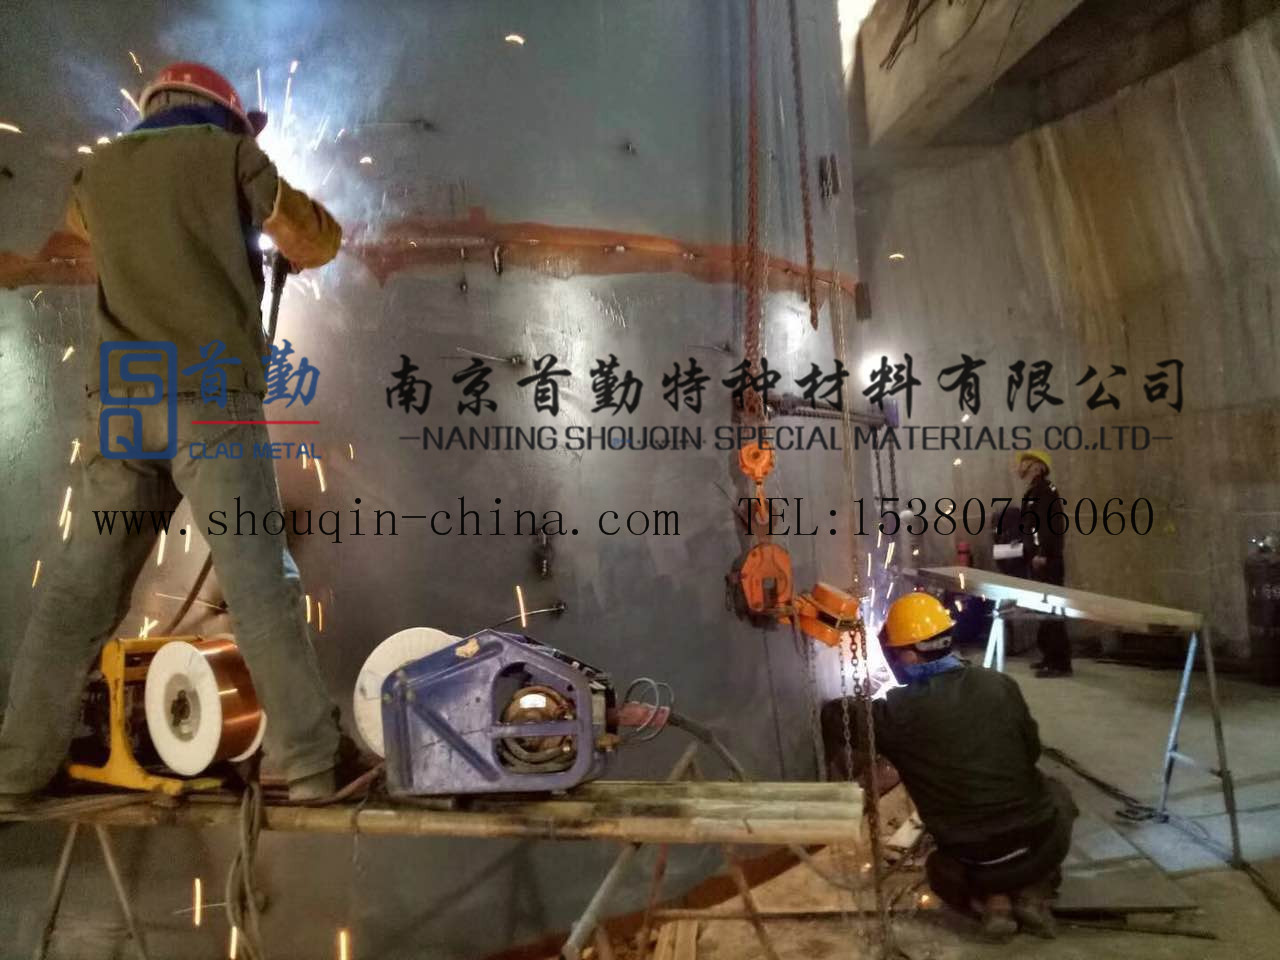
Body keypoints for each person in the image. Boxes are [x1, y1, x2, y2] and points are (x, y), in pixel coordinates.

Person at [0, 62, 344, 808]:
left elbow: (98, 238)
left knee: (78, 592)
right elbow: (317, 242)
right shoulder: (232, 155)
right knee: (259, 582)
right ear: (227, 115)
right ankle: (313, 761)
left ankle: (16, 769)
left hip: (125, 399)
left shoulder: (96, 175)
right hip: (208, 395)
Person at [872, 592, 1077, 942]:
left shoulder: (894, 712)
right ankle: (1032, 891)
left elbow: (837, 717)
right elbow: (1030, 753)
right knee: (1058, 795)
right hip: (1037, 844)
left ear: (907, 655)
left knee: (939, 870)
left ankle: (994, 903)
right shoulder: (999, 684)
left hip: (971, 857)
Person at [1017, 450, 1071, 677]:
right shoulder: (1034, 491)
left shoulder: (1045, 491)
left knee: (1052, 613)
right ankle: (1049, 657)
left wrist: (1042, 552)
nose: (1020, 466)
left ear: (1038, 467)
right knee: (1045, 611)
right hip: (1040, 559)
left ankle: (1059, 663)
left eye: (1026, 462)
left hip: (1047, 561)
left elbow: (1047, 526)